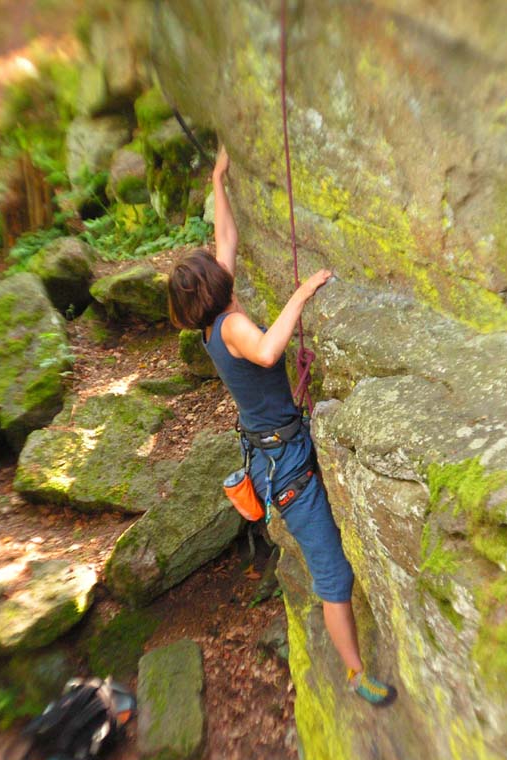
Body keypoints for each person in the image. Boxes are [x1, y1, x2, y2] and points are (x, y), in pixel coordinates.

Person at [167, 145, 396, 707]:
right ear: (214, 290)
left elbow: (228, 240)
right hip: (285, 465)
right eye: (213, 269)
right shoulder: (234, 326)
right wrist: (304, 289)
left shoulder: (212, 323)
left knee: (330, 562)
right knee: (332, 573)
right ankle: (354, 673)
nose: (221, 263)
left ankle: (350, 665)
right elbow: (270, 353)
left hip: (271, 449)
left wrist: (220, 180)